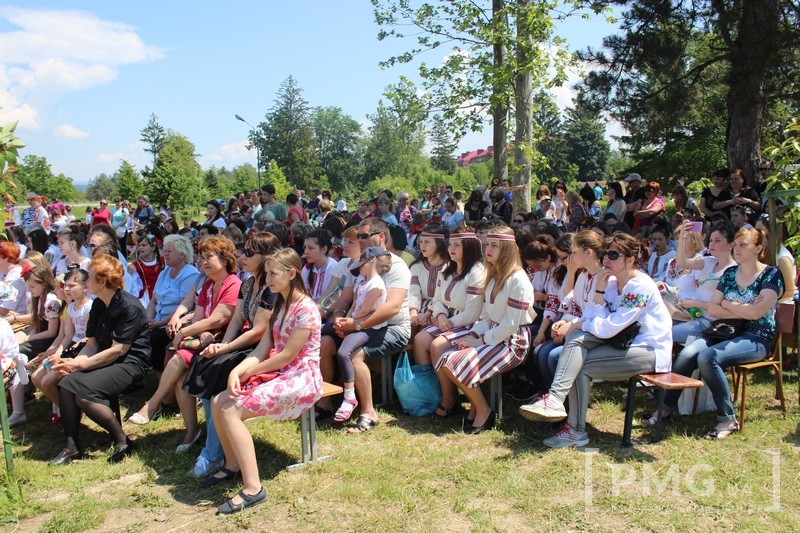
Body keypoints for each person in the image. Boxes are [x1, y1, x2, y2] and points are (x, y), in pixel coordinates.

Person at [522, 233, 672, 448]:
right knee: (576, 345)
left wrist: (576, 324)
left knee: (577, 358)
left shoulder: (639, 286)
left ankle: (570, 422)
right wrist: (598, 294)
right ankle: (564, 414)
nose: (607, 260)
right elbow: (593, 316)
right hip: (621, 344)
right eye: (606, 254)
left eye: (613, 255)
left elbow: (609, 326)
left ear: (630, 260)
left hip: (648, 350)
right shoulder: (609, 282)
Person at [209, 248, 322, 514]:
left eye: (273, 273)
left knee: (230, 408)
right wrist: (238, 370)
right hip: (282, 373)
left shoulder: (306, 309)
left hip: (302, 378)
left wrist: (248, 372)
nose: (267, 278)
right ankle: (233, 464)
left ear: (291, 273)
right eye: (267, 273)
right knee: (218, 401)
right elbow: (262, 349)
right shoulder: (280, 304)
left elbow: (287, 356)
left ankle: (253, 488)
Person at [647, 227, 783, 440]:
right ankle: (666, 407)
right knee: (687, 355)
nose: (737, 249)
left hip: (757, 337)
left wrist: (728, 305)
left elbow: (757, 314)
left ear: (758, 248)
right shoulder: (730, 273)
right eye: (736, 244)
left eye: (743, 245)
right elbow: (712, 309)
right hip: (723, 331)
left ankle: (727, 418)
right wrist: (739, 306)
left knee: (708, 357)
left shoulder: (771, 275)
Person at [129, 235, 240, 452]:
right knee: (180, 379)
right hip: (203, 340)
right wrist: (194, 331)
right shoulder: (208, 284)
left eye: (209, 257)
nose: (203, 262)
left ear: (225, 259)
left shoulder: (233, 284)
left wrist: (184, 332)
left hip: (224, 344)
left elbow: (220, 318)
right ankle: (191, 430)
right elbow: (199, 317)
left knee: (179, 356)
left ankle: (154, 404)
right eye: (201, 258)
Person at [183, 232, 280, 479]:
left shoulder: (271, 288)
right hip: (244, 344)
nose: (242, 257)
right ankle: (214, 444)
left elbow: (259, 331)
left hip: (265, 351)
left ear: (266, 257)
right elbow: (237, 319)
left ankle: (212, 453)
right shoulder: (247, 283)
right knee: (206, 361)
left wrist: (226, 349)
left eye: (249, 253)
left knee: (216, 376)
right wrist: (222, 346)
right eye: (243, 251)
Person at [431, 226, 535, 432]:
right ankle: (478, 407)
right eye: (487, 244)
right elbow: (487, 315)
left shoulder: (518, 280)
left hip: (513, 341)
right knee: (447, 358)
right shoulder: (494, 275)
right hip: (494, 334)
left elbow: (511, 324)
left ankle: (483, 410)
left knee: (453, 362)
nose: (488, 249)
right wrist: (474, 334)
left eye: (495, 245)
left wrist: (482, 340)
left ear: (507, 249)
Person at [50, 254, 152, 465]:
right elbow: (93, 344)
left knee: (84, 393)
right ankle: (71, 447)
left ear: (103, 281)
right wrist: (73, 363)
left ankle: (122, 440)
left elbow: (118, 351)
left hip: (131, 363)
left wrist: (79, 364)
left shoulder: (129, 307)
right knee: (67, 383)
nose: (87, 282)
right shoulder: (98, 305)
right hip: (106, 358)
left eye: (92, 278)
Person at [318, 218, 411, 432]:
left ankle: (369, 412)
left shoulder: (397, 266)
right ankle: (325, 402)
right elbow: (344, 299)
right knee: (323, 342)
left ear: (381, 237)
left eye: (363, 236)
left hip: (393, 328)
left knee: (355, 353)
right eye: (357, 236)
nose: (359, 240)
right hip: (359, 322)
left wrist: (356, 325)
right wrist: (339, 318)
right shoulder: (360, 263)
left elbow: (392, 308)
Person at [518, 230, 603, 412]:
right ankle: (550, 398)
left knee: (551, 355)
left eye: (570, 254)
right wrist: (564, 322)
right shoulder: (582, 276)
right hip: (573, 324)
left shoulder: (600, 277)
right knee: (541, 351)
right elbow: (569, 304)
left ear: (586, 253)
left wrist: (568, 324)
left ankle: (566, 405)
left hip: (591, 330)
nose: (566, 260)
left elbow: (592, 311)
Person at [413, 229, 485, 416]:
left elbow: (472, 312)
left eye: (457, 245)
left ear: (468, 247)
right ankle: (433, 391)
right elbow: (438, 299)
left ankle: (449, 397)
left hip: (470, 323)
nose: (451, 248)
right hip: (446, 319)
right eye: (450, 244)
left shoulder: (476, 272)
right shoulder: (448, 268)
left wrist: (448, 322)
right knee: (420, 340)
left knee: (437, 346)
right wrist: (442, 316)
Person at [334, 246, 392, 422]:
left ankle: (349, 396)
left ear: (372, 260)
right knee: (323, 331)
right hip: (353, 323)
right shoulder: (361, 279)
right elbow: (354, 306)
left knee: (344, 352)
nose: (359, 267)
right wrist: (342, 320)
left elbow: (365, 311)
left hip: (369, 328)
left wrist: (348, 323)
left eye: (362, 263)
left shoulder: (376, 284)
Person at [30, 267, 92, 425]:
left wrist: (65, 355)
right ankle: (67, 409)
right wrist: (57, 353)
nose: (67, 289)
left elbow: (86, 338)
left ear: (85, 287)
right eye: (66, 285)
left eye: (72, 286)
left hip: (83, 349)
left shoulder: (89, 307)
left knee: (47, 381)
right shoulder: (71, 307)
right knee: (36, 377)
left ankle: (71, 412)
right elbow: (68, 335)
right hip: (71, 346)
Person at [145, 234, 199, 373]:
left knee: (155, 339)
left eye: (169, 251)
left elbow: (183, 308)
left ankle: (160, 377)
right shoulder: (165, 272)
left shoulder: (190, 275)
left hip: (173, 324)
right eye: (164, 250)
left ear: (182, 254)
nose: (165, 254)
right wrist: (149, 319)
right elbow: (153, 301)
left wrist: (159, 324)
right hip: (156, 321)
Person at [409, 226, 450, 333]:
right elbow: (414, 292)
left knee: (425, 328)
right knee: (411, 325)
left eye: (427, 242)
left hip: (443, 308)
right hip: (419, 306)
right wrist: (413, 313)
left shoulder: (450, 267)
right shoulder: (416, 267)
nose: (422, 245)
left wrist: (427, 314)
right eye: (421, 241)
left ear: (439, 243)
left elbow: (442, 296)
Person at [16, 265, 62, 358]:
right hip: (40, 333)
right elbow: (37, 324)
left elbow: (51, 332)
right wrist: (29, 336)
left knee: (17, 349)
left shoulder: (51, 302)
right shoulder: (39, 297)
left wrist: (27, 338)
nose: (29, 290)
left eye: (32, 286)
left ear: (44, 284)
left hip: (48, 340)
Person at [755, 216, 797, 303]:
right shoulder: (763, 252)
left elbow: (790, 291)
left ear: (772, 233)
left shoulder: (782, 258)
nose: (755, 234)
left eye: (759, 231)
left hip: (779, 306)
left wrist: (765, 296)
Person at [301, 228, 338, 306]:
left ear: (324, 249)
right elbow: (303, 293)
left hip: (325, 310)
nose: (306, 252)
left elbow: (331, 299)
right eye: (305, 247)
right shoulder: (307, 268)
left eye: (310, 248)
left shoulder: (334, 268)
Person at [0, 242, 28, 318]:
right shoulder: (3, 272)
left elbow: (3, 309)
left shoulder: (16, 276)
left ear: (6, 257)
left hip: (17, 323)